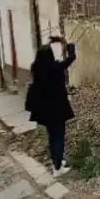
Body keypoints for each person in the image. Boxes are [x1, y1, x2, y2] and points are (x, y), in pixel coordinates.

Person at [26, 35, 77, 177]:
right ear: (50, 56)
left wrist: (50, 42)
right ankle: (57, 168)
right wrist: (66, 43)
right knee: (59, 137)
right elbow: (72, 57)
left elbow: (43, 53)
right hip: (57, 107)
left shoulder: (36, 68)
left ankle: (56, 161)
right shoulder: (56, 68)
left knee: (51, 136)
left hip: (44, 110)